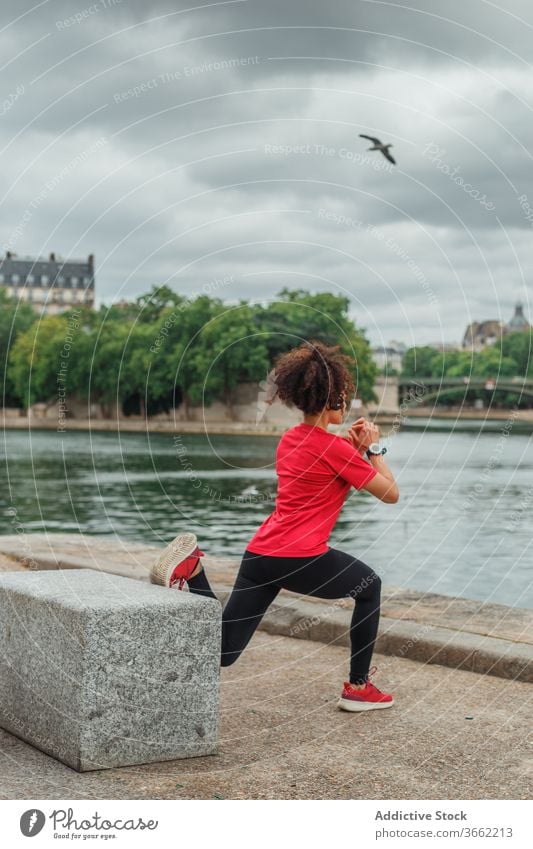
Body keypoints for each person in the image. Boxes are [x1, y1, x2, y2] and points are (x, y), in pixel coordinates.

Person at [151, 340, 399, 711]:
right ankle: (358, 688)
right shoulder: (336, 450)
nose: (347, 404)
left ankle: (194, 568)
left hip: (261, 556)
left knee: (224, 650)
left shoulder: (289, 440)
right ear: (334, 400)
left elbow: (321, 477)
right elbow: (390, 494)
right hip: (300, 557)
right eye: (345, 396)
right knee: (370, 586)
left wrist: (354, 452)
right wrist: (375, 449)